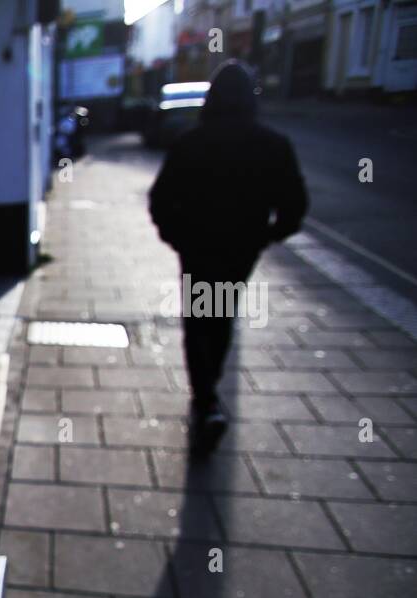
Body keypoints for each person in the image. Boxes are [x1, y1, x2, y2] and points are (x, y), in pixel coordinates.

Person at [148, 60, 308, 455]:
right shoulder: (273, 145)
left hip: (198, 248)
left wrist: (176, 237)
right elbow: (294, 205)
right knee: (221, 317)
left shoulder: (191, 143)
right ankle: (209, 392)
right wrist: (267, 236)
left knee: (198, 321)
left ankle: (204, 398)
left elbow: (161, 200)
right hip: (240, 250)